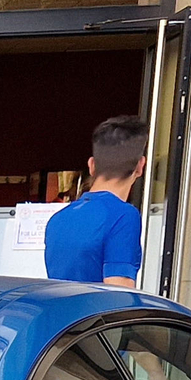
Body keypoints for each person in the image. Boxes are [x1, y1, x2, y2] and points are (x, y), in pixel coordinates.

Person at [43, 114, 148, 288]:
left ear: (92, 165)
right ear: (140, 166)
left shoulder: (58, 219)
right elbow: (118, 291)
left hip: (64, 313)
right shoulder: (124, 216)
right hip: (97, 314)